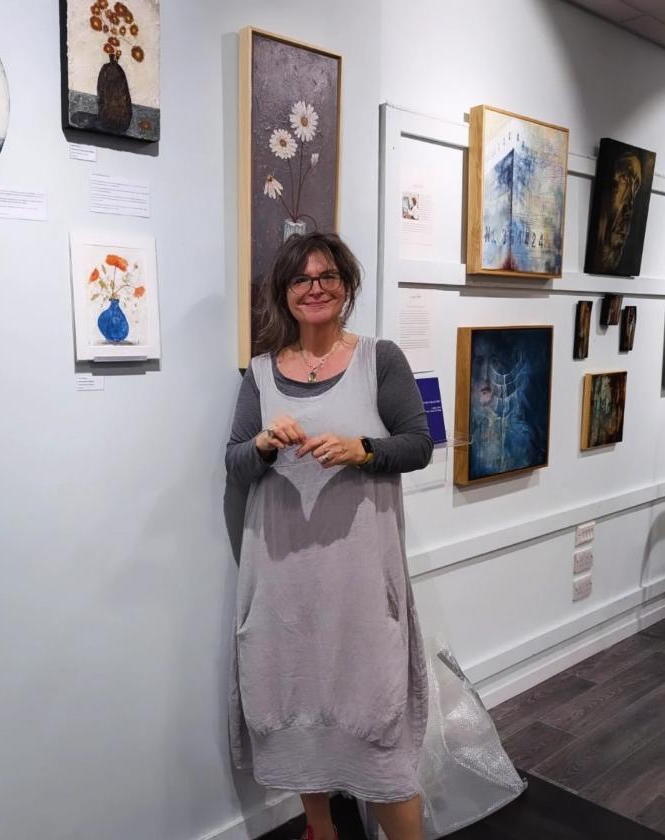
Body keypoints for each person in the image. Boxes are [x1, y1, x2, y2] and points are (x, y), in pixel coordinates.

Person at [226, 232, 433, 840]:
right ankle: (322, 830)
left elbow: (419, 444)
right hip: (284, 583)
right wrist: (264, 444)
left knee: (378, 728)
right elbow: (234, 462)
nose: (315, 288)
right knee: (296, 710)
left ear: (346, 286)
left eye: (327, 277)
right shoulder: (260, 373)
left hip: (359, 582)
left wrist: (361, 449)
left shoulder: (379, 359)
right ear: (284, 293)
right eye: (301, 279)